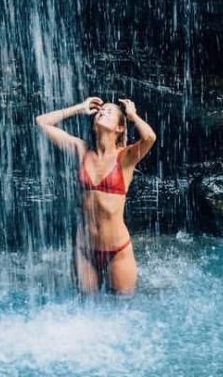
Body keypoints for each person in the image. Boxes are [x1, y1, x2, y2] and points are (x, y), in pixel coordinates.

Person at [35, 95, 156, 295]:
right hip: (85, 250)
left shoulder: (125, 157)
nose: (102, 112)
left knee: (123, 310)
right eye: (101, 110)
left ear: (120, 128)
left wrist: (132, 115)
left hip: (118, 251)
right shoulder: (82, 150)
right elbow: (41, 122)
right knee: (85, 308)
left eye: (109, 112)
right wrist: (79, 108)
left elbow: (150, 138)